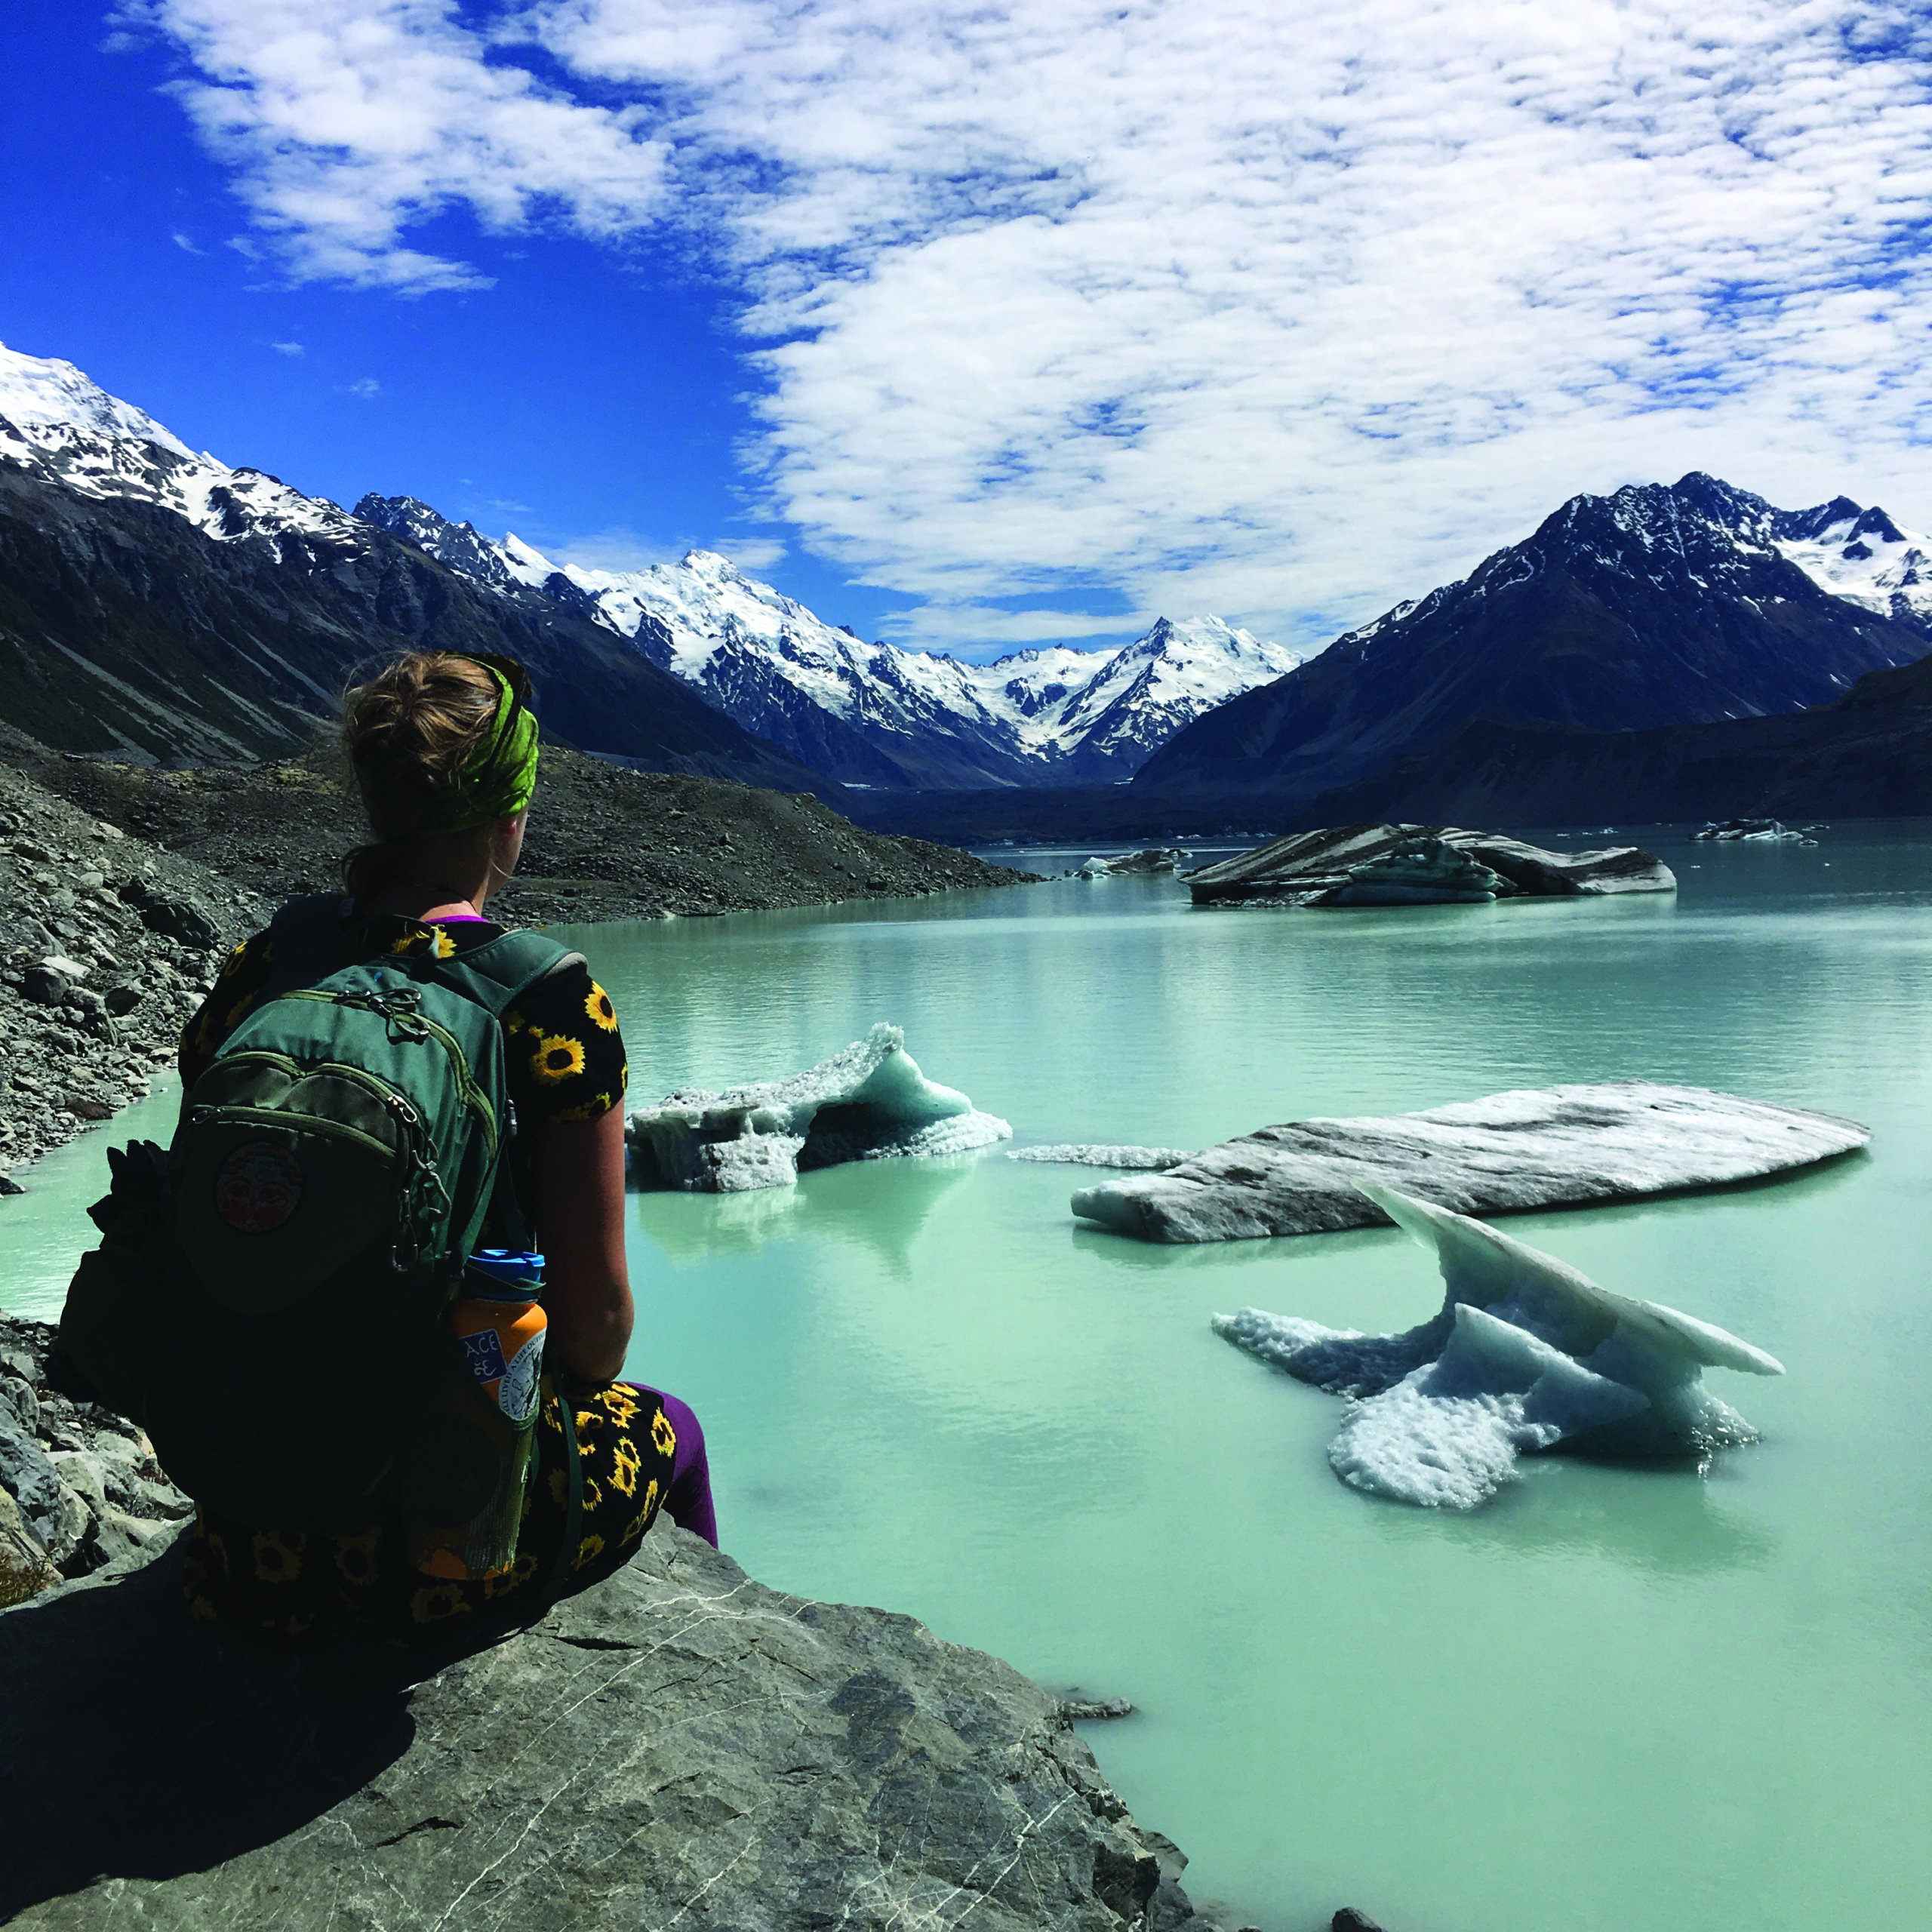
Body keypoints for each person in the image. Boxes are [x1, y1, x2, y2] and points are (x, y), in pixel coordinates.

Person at [177, 650, 715, 1646]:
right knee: (673, 1432)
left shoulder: (270, 967)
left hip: (248, 1518)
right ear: (509, 810)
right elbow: (596, 1334)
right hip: (451, 1541)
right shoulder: (549, 1001)